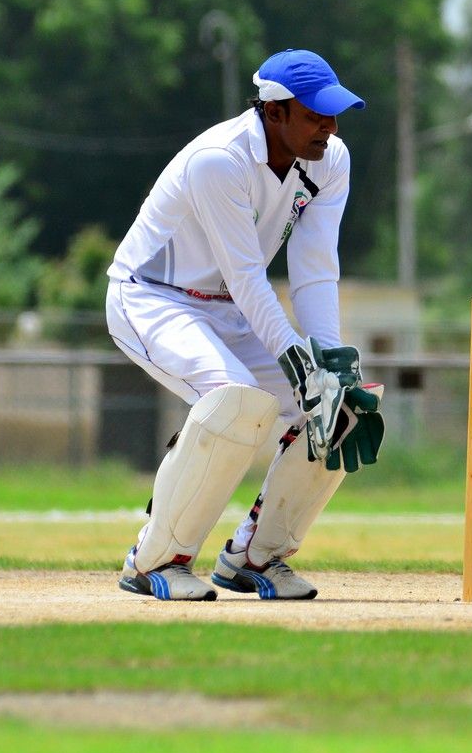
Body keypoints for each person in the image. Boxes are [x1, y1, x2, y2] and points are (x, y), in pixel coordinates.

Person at [106, 49, 384, 601]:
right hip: (154, 298)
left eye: (333, 115)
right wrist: (299, 364)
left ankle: (255, 556)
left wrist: (327, 364)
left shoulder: (329, 160)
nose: (329, 128)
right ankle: (154, 559)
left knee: (342, 409)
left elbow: (314, 270)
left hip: (231, 308)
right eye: (315, 115)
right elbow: (247, 275)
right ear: (274, 111)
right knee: (236, 402)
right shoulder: (219, 160)